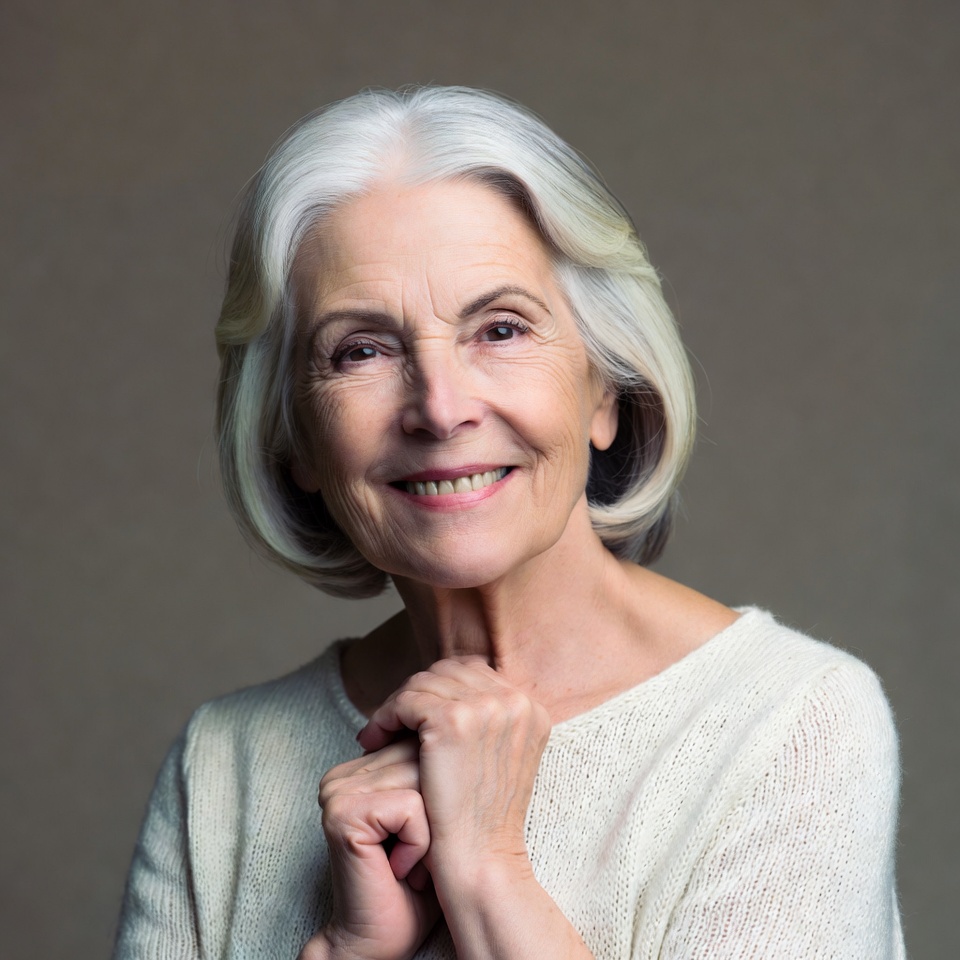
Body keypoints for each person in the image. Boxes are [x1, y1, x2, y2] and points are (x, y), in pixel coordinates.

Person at [113, 86, 904, 960]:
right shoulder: (226, 766)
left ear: (606, 388)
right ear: (293, 435)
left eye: (500, 329)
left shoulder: (787, 723)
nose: (441, 409)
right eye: (363, 350)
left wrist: (489, 870)